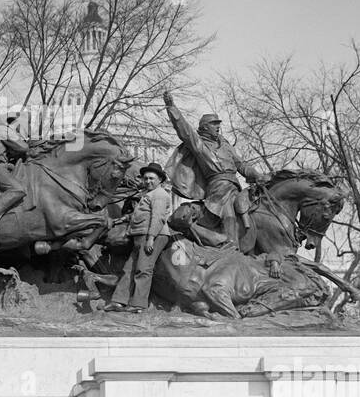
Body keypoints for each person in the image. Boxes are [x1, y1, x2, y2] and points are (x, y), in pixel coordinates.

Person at [163, 90, 263, 241]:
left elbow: (241, 165)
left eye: (218, 124)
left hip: (235, 187)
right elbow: (185, 131)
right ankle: (230, 245)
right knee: (228, 215)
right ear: (204, 127)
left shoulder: (226, 145)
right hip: (218, 188)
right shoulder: (199, 144)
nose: (218, 127)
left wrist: (256, 175)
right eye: (213, 124)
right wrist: (172, 108)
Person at [105, 163, 173, 313]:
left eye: (152, 178)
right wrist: (120, 220)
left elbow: (158, 218)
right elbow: (139, 215)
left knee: (143, 269)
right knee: (128, 269)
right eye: (146, 178)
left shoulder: (160, 195)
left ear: (160, 179)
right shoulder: (147, 195)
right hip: (140, 235)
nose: (148, 181)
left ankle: (138, 305)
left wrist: (151, 238)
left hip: (153, 235)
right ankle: (118, 301)